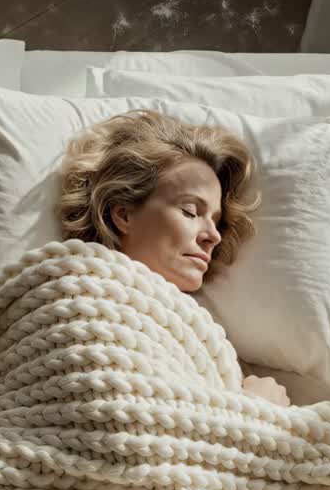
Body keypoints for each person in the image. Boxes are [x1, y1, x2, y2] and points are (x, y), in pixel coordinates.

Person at [57, 109, 290, 407]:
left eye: (216, 222)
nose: (213, 236)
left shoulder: (197, 338)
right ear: (124, 214)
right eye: (190, 211)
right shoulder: (78, 301)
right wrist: (256, 409)